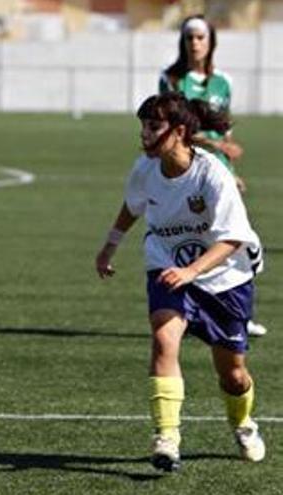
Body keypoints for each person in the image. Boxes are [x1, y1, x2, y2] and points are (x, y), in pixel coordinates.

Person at [95, 92, 266, 472]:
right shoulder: (145, 169)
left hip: (225, 277)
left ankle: (242, 423)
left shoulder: (212, 174)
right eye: (142, 125)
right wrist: (110, 245)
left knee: (234, 375)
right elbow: (133, 205)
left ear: (179, 131)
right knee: (163, 337)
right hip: (168, 264)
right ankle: (167, 437)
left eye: (153, 126)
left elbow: (233, 238)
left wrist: (193, 272)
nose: (144, 134)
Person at [158, 15, 267, 337]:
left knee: (238, 241)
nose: (195, 43)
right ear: (183, 41)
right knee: (192, 240)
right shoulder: (172, 79)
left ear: (211, 42)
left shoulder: (223, 82)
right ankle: (184, 312)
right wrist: (212, 144)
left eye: (201, 37)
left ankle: (239, 316)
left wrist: (232, 171)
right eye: (190, 37)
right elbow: (173, 130)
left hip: (219, 173)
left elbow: (225, 132)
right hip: (188, 170)